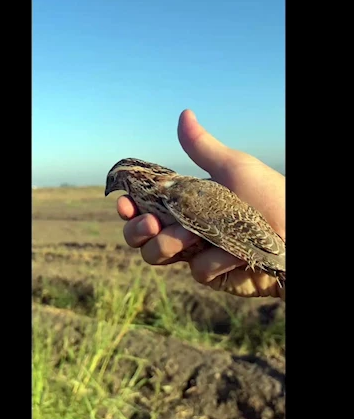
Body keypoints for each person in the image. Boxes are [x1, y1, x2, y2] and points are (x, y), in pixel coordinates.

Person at [115, 109, 286, 300]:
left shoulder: (180, 193)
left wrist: (272, 260)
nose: (112, 188)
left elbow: (244, 235)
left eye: (116, 180)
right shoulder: (157, 199)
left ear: (133, 177)